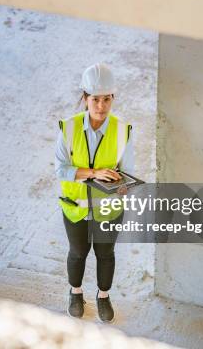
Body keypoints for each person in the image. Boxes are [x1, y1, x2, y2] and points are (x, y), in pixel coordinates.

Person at [55, 63, 135, 323]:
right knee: (78, 252)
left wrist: (121, 186)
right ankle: (75, 293)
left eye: (107, 99)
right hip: (74, 206)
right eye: (95, 99)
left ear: (113, 98)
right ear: (85, 98)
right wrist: (94, 173)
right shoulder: (68, 128)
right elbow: (61, 170)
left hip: (108, 208)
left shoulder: (122, 131)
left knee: (105, 254)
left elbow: (128, 173)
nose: (101, 106)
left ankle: (103, 296)